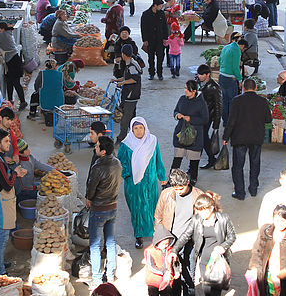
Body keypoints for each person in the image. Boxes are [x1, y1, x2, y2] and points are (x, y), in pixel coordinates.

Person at [171, 192, 237, 296]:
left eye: (203, 211)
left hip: (218, 260)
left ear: (211, 208)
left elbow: (232, 236)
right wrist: (174, 250)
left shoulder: (223, 218)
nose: (201, 214)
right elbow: (185, 235)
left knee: (215, 291)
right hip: (204, 261)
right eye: (199, 211)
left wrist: (223, 246)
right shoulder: (196, 220)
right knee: (206, 290)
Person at [118, 117, 167, 249]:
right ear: (131, 130)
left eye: (141, 128)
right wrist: (128, 175)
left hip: (150, 182)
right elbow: (120, 163)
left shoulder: (152, 141)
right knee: (137, 209)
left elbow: (158, 159)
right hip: (134, 183)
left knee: (152, 207)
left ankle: (154, 234)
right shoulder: (126, 144)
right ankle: (138, 236)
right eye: (136, 128)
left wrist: (162, 177)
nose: (139, 131)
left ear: (145, 128)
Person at [154, 169, 203, 296]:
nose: (178, 192)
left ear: (187, 182)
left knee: (188, 275)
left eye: (181, 189)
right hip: (170, 243)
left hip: (189, 243)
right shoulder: (166, 194)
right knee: (173, 276)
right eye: (176, 189)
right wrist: (161, 238)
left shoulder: (198, 195)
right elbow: (158, 217)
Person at [223, 78, 272, 199]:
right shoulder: (263, 101)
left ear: (243, 88)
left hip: (239, 138)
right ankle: (253, 189)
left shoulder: (237, 101)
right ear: (255, 88)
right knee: (255, 163)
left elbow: (231, 121)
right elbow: (268, 119)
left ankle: (240, 193)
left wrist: (226, 137)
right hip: (256, 137)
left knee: (238, 166)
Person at [0, 128, 27, 275]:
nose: (9, 144)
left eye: (9, 141)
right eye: (6, 141)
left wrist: (14, 171)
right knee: (2, 238)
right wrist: (16, 173)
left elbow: (5, 176)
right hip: (1, 203)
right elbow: (7, 184)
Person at [86, 136, 122, 290]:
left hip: (99, 209)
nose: (95, 147)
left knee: (95, 244)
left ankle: (96, 278)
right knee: (110, 241)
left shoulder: (98, 167)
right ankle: (111, 274)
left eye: (98, 146)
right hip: (112, 207)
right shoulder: (117, 163)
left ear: (103, 151)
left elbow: (92, 187)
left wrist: (89, 198)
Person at [248, 205, 286, 296]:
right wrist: (254, 267)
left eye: (282, 221)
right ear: (273, 219)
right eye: (277, 220)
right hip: (268, 275)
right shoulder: (265, 231)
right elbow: (257, 250)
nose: (280, 223)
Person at [171, 80, 209, 186]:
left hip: (195, 136)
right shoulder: (182, 99)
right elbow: (175, 110)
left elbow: (205, 119)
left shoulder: (201, 103)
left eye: (188, 89)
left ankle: (193, 179)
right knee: (177, 159)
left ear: (194, 91)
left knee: (194, 161)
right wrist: (177, 115)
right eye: (185, 88)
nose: (185, 91)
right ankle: (172, 179)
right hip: (181, 135)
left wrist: (191, 119)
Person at [193, 65, 221, 170]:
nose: (199, 76)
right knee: (203, 139)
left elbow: (218, 106)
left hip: (207, 117)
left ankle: (193, 166)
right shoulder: (198, 83)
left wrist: (216, 123)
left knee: (200, 139)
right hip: (197, 115)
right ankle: (212, 159)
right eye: (198, 74)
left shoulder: (214, 87)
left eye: (201, 74)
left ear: (208, 75)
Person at [114, 44, 143, 144]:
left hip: (131, 95)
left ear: (123, 54)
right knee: (131, 116)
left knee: (125, 118)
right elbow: (127, 77)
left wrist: (123, 82)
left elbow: (134, 79)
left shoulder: (132, 65)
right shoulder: (129, 63)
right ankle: (134, 136)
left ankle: (121, 138)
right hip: (130, 94)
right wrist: (117, 80)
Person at [145, 225, 181, 296]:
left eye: (167, 244)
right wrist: (163, 272)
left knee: (166, 293)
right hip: (154, 280)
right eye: (163, 244)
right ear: (157, 242)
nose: (165, 246)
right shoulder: (150, 251)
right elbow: (151, 266)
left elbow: (175, 262)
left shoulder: (170, 250)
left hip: (167, 279)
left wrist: (177, 271)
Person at [218, 32, 243, 126]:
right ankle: (231, 122)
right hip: (230, 79)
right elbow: (235, 67)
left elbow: (220, 61)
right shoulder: (236, 49)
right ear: (238, 40)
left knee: (224, 100)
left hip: (221, 77)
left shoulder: (226, 47)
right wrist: (239, 79)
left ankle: (225, 121)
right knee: (232, 101)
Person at [141, 0, 168, 80]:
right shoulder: (146, 14)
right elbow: (143, 28)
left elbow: (165, 26)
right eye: (160, 6)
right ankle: (151, 73)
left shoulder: (161, 14)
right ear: (155, 5)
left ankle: (160, 73)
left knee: (160, 57)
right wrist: (145, 40)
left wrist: (165, 38)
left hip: (159, 39)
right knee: (151, 57)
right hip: (150, 39)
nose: (161, 7)